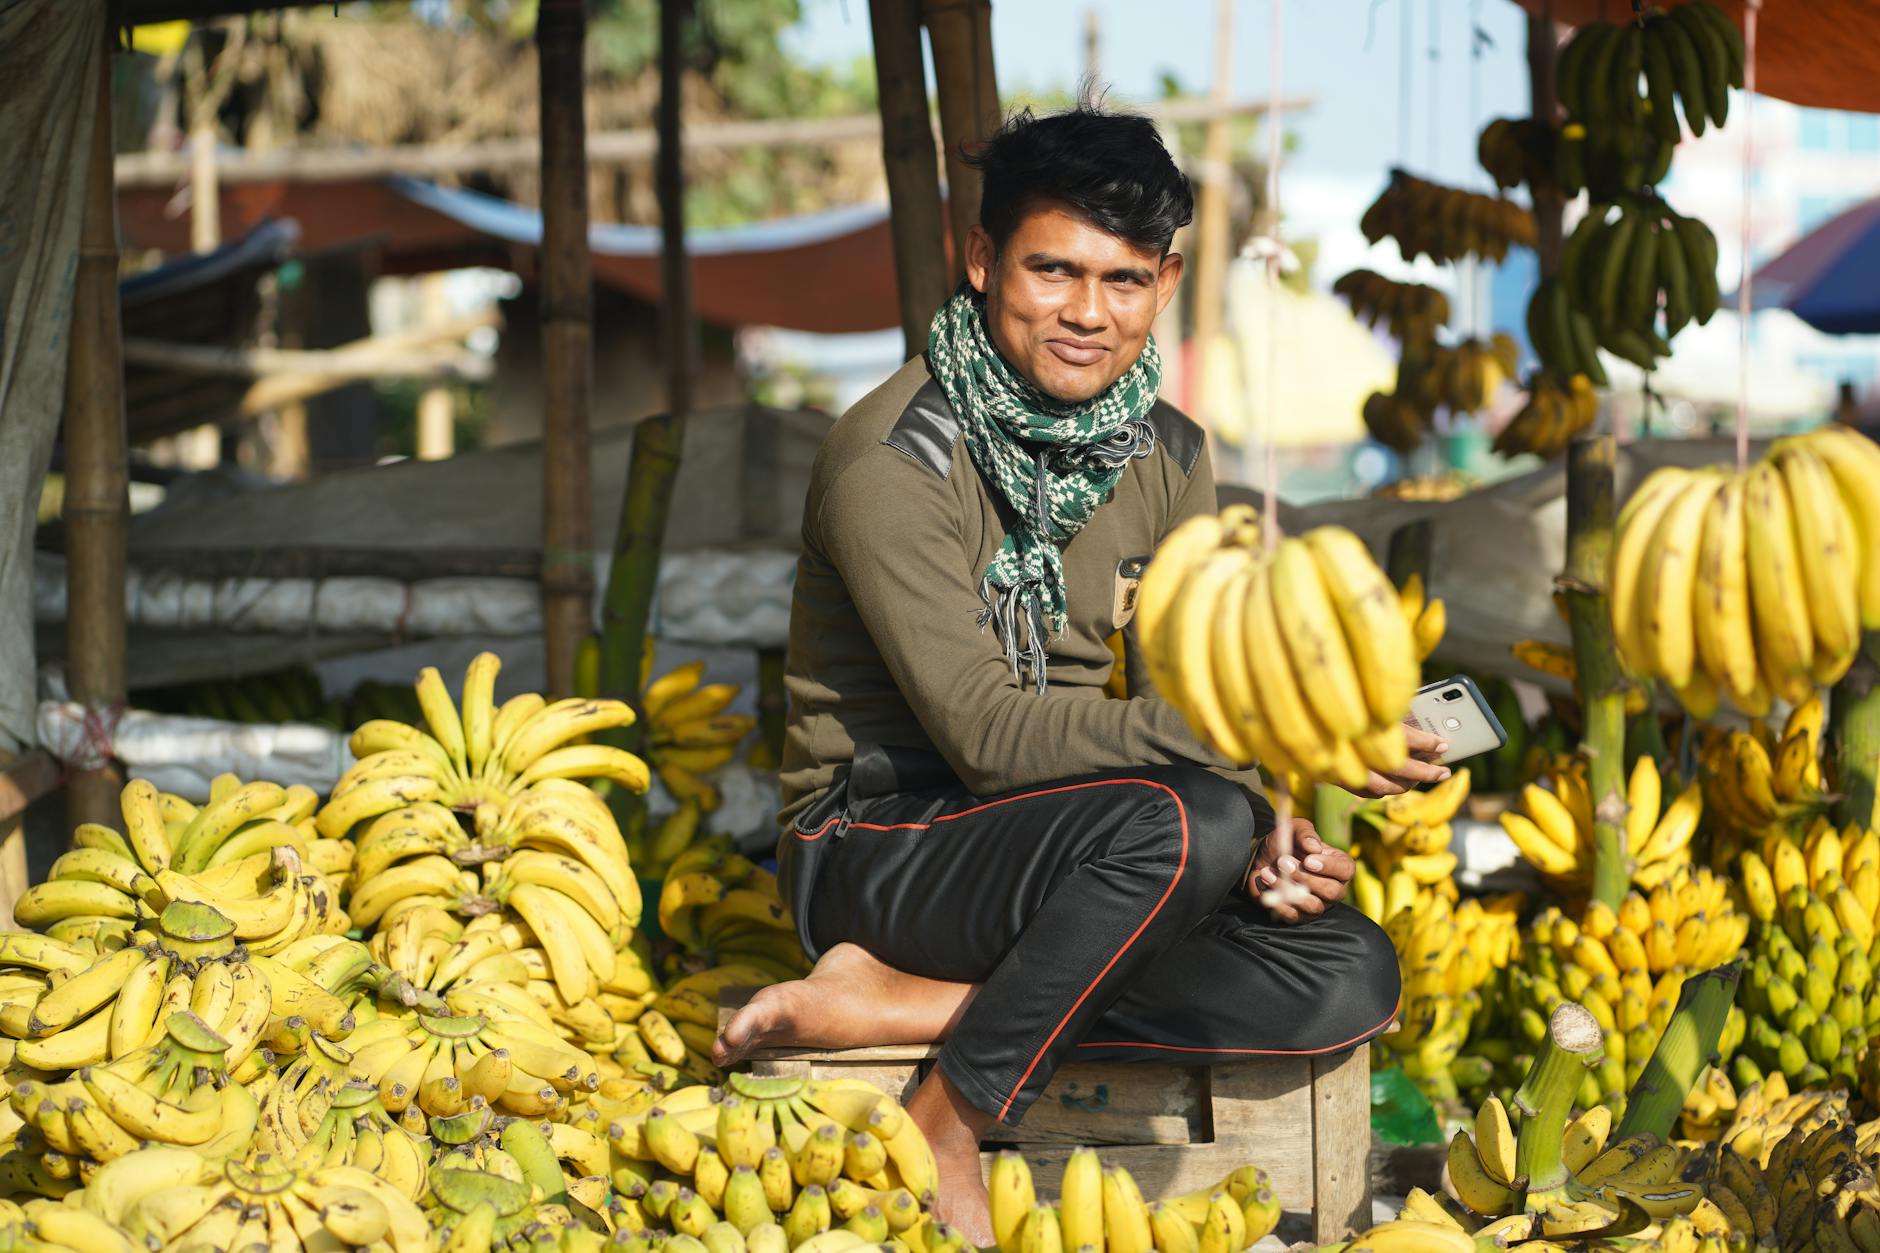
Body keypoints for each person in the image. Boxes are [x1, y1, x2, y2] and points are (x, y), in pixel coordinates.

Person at [714, 101, 1447, 1241]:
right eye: (1051, 270)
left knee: (1347, 969)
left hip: (1083, 849)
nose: (1084, 314)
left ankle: (910, 1001)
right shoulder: (890, 457)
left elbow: (1169, 691)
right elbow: (988, 737)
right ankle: (945, 1117)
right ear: (980, 258)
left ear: (1163, 283)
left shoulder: (1166, 453)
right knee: (1184, 823)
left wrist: (1269, 828)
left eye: (1119, 280)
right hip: (881, 840)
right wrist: (1265, 752)